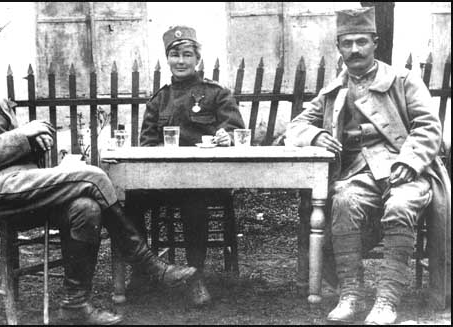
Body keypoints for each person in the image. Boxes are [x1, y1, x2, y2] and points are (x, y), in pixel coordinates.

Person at [0, 16, 197, 325]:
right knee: (93, 175)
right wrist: (23, 135)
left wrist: (36, 142)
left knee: (85, 208)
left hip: (24, 188)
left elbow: (16, 151)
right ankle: (149, 265)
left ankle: (75, 304)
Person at [285, 7, 450, 325]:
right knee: (343, 200)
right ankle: (351, 294)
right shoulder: (335, 90)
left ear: (375, 43)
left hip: (406, 170)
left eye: (362, 42)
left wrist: (410, 160)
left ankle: (387, 301)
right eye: (347, 43)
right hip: (359, 173)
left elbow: (428, 126)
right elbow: (294, 128)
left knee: (401, 205)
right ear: (339, 48)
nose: (355, 50)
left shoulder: (402, 81)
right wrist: (316, 134)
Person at [126, 25, 245, 306]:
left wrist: (226, 136)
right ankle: (145, 270)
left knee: (194, 199)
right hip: (165, 180)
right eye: (175, 55)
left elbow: (235, 129)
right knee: (130, 200)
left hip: (206, 181)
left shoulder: (217, 94)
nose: (181, 61)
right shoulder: (159, 99)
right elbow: (147, 144)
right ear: (168, 59)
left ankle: (196, 277)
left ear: (197, 59)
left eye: (187, 55)